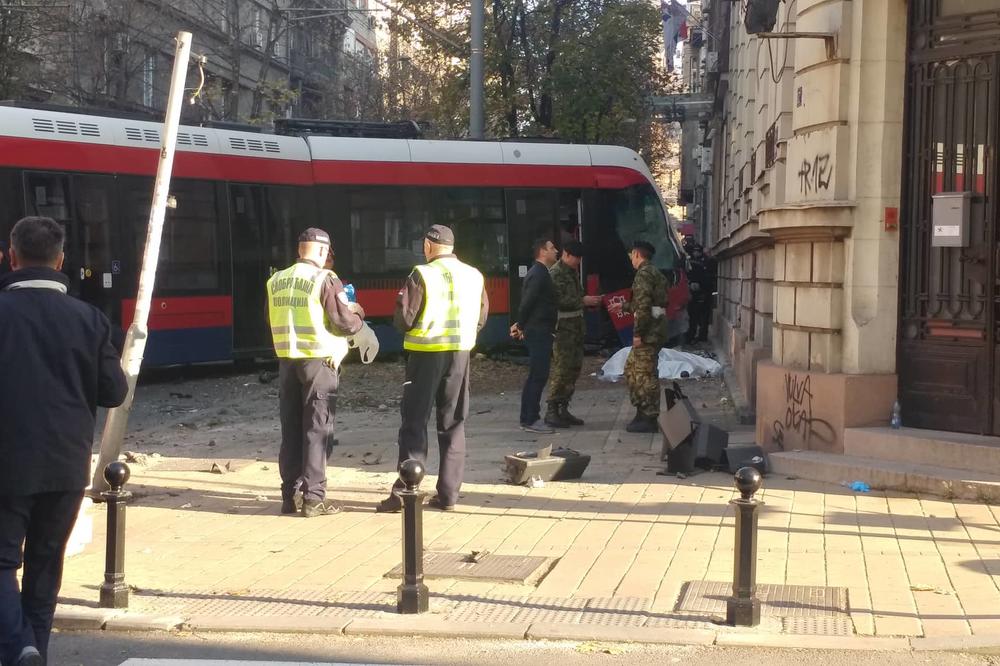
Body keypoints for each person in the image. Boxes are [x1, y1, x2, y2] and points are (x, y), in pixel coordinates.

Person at [0, 216, 127, 666]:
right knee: (44, 567)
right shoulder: (89, 319)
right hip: (64, 466)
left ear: (11, 257)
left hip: (7, 466)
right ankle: (35, 651)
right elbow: (114, 392)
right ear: (60, 260)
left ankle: (19, 647)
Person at [376, 225, 488, 513]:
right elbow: (482, 313)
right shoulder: (474, 275)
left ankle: (405, 492)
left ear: (428, 245)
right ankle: (449, 495)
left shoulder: (422, 274)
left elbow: (405, 317)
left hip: (425, 355)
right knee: (453, 422)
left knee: (414, 422)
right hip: (460, 354)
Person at [266, 228, 377, 518]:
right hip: (319, 361)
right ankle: (314, 498)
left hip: (287, 361)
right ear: (322, 251)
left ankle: (288, 497)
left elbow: (269, 317)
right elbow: (343, 322)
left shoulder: (276, 279)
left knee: (290, 429)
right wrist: (358, 315)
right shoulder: (325, 279)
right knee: (317, 429)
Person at [611, 240, 668, 433]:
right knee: (632, 370)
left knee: (644, 375)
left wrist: (638, 334)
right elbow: (652, 304)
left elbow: (644, 307)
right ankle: (642, 410)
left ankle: (648, 415)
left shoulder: (643, 275)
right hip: (655, 330)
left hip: (648, 334)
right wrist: (625, 306)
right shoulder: (654, 272)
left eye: (631, 255)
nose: (630, 259)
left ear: (636, 254)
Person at [545, 241, 602, 428]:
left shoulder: (572, 272)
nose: (578, 262)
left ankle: (563, 407)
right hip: (563, 329)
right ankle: (551, 410)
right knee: (562, 369)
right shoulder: (556, 273)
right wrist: (583, 300)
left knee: (574, 369)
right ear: (567, 255)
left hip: (576, 327)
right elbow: (558, 300)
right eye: (576, 258)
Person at [510, 238, 559, 434]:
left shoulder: (541, 273)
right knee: (538, 375)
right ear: (542, 252)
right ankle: (530, 418)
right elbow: (527, 302)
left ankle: (530, 416)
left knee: (538, 374)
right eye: (552, 248)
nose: (556, 251)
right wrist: (520, 325)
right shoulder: (538, 274)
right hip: (538, 331)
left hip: (541, 329)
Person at [685, 241, 716, 344]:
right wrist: (690, 284)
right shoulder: (689, 261)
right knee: (693, 316)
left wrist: (702, 286)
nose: (696, 253)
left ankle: (702, 336)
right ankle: (691, 335)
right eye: (695, 251)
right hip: (693, 293)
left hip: (704, 292)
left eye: (698, 251)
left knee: (703, 316)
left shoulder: (707, 262)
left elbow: (709, 278)